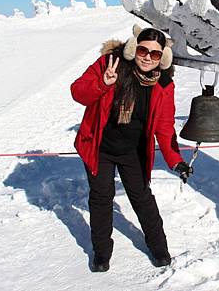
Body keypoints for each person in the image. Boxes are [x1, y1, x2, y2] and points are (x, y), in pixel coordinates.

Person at [71, 24, 193, 272]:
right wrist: (103, 84)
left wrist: (175, 160)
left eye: (155, 54)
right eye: (143, 50)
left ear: (163, 58)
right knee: (101, 199)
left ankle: (160, 249)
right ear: (133, 49)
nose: (148, 57)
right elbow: (78, 93)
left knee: (142, 198)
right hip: (100, 147)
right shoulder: (110, 64)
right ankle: (101, 254)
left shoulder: (163, 85)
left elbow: (164, 126)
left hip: (133, 151)